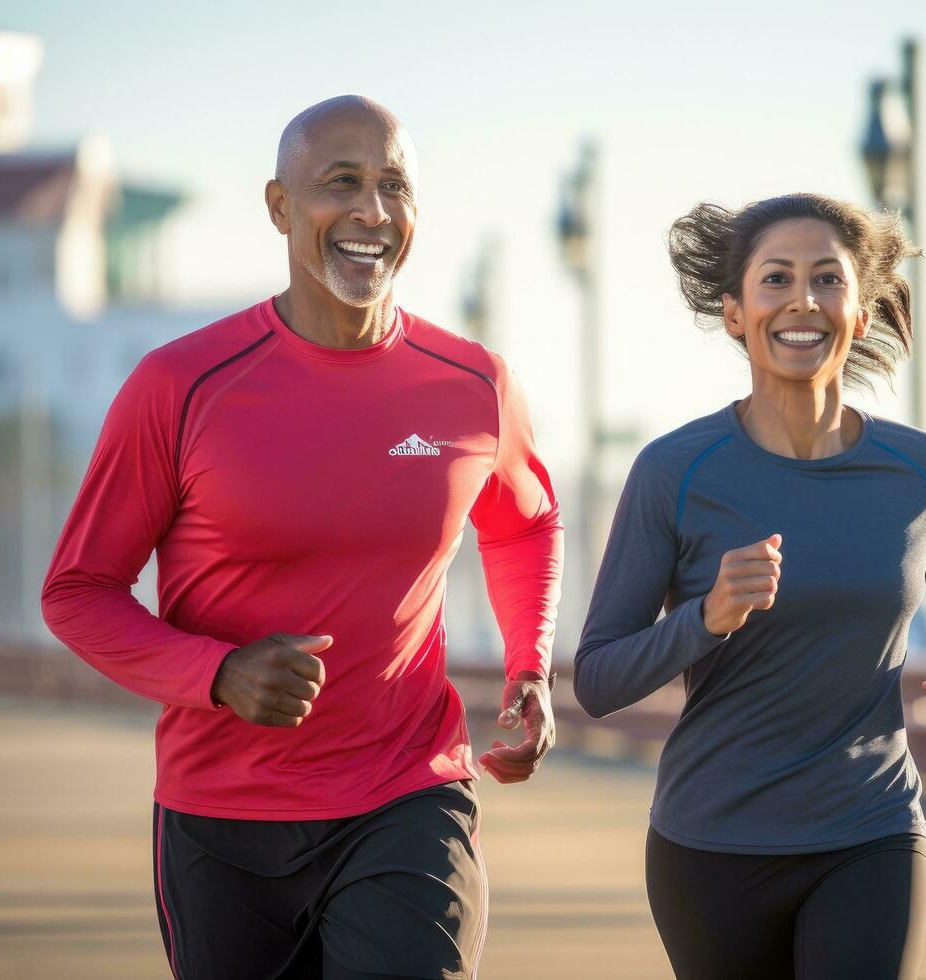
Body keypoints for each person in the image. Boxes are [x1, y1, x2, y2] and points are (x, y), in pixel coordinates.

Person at [41, 96, 563, 980]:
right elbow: (78, 592)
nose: (372, 212)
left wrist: (529, 666)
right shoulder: (180, 385)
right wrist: (216, 674)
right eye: (342, 184)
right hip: (223, 817)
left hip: (408, 792)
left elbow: (525, 524)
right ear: (280, 207)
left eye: (394, 186)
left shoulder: (473, 383)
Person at [573, 193, 926, 980]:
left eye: (827, 281)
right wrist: (705, 618)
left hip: (871, 831)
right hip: (711, 849)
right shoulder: (676, 472)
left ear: (862, 312)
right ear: (736, 313)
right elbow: (598, 679)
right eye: (776, 280)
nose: (802, 302)